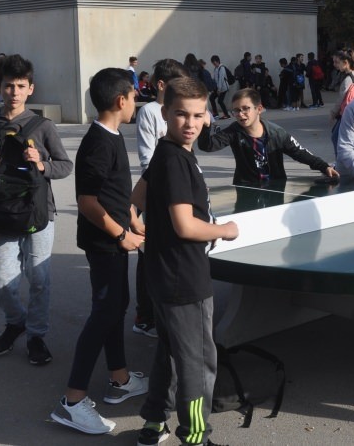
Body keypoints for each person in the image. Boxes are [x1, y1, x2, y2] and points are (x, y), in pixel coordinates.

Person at [132, 76, 239, 446]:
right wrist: (224, 230)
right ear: (164, 113)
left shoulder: (165, 151)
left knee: (170, 353)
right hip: (185, 279)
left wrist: (151, 228)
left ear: (207, 114)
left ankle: (153, 423)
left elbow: (138, 197)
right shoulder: (177, 160)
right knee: (197, 363)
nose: (190, 123)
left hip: (161, 276)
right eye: (181, 114)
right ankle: (195, 435)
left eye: (198, 114)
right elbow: (185, 225)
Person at [51, 67, 146, 435]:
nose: (136, 102)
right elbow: (88, 202)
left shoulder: (112, 134)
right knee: (104, 312)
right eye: (134, 96)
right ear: (121, 100)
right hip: (103, 243)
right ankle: (73, 401)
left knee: (116, 306)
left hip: (114, 237)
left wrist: (133, 218)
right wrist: (122, 232)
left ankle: (120, 378)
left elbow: (113, 193)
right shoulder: (97, 142)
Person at [0, 54, 72, 365]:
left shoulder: (42, 126)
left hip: (40, 212)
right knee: (2, 277)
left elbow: (65, 165)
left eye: (20, 86)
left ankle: (36, 335)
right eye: (8, 86)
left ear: (31, 88)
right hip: (2, 212)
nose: (14, 92)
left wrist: (41, 164)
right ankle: (16, 321)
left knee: (39, 278)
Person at [133, 58, 189, 338]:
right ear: (161, 85)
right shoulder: (150, 113)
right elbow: (147, 158)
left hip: (176, 190)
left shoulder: (180, 109)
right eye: (177, 85)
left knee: (170, 253)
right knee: (149, 256)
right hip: (157, 192)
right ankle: (145, 316)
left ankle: (165, 310)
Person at [198, 88, 339, 184]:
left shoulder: (277, 133)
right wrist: (206, 126)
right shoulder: (234, 131)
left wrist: (324, 167)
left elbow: (300, 152)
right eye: (236, 110)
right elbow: (207, 145)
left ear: (259, 109)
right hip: (246, 188)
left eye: (245, 109)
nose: (240, 114)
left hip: (275, 186)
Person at [329, 49, 354, 154]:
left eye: (337, 62)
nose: (334, 65)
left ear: (346, 62)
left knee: (336, 138)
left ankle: (341, 162)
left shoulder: (348, 79)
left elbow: (341, 99)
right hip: (352, 112)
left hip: (348, 114)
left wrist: (333, 113)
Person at [209, 55, 230, 119]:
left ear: (218, 61)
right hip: (218, 87)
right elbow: (215, 79)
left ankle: (227, 115)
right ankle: (215, 114)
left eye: (214, 62)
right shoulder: (216, 68)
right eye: (213, 63)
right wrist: (213, 88)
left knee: (220, 101)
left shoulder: (222, 68)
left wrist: (219, 90)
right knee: (211, 98)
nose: (214, 64)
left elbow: (221, 79)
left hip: (223, 88)